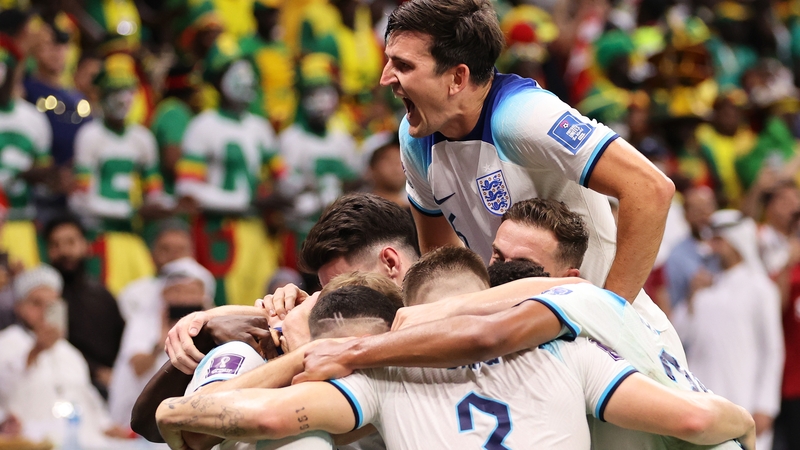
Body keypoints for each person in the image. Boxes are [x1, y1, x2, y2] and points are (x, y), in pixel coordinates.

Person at [156, 257, 755, 450]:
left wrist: (173, 414)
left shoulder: (375, 373)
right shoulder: (569, 351)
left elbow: (256, 417)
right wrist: (746, 423)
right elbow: (697, 419)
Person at [295, 199, 741, 449]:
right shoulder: (616, 314)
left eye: (521, 263)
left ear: (563, 281)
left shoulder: (576, 310)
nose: (501, 271)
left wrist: (348, 348)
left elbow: (488, 335)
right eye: (496, 256)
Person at [382, 0, 673, 307]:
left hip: (604, 339)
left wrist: (613, 312)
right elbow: (443, 264)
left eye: (403, 66)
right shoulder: (415, 137)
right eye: (389, 62)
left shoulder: (523, 116)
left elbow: (651, 188)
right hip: (521, 336)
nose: (385, 78)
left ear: (457, 78)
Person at [175, 41, 284, 306]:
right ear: (219, 80)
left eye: (249, 75)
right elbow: (187, 188)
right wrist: (241, 202)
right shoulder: (203, 125)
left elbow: (282, 177)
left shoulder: (260, 127)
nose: (246, 82)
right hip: (219, 231)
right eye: (237, 75)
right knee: (227, 305)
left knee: (264, 303)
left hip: (257, 231)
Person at [671, 209, 784, 450]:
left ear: (736, 241)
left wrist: (766, 405)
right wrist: (692, 296)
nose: (712, 245)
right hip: (702, 399)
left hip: (745, 398)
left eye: (719, 239)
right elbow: (679, 336)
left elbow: (772, 350)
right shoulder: (704, 286)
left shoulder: (760, 288)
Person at [70, 52, 168, 295]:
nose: (123, 99)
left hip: (134, 238)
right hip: (99, 237)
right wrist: (132, 211)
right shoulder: (90, 136)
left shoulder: (143, 139)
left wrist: (164, 205)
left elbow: (154, 191)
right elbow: (80, 200)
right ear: (102, 97)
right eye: (115, 92)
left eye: (128, 91)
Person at [0, 265, 126, 446]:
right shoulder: (6, 342)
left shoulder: (69, 352)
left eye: (51, 304)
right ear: (19, 307)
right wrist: (34, 352)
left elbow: (87, 395)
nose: (44, 310)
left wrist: (106, 425)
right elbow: (4, 386)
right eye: (36, 303)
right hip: (30, 443)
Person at [108, 257, 213, 431]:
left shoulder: (214, 326)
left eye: (191, 292)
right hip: (139, 422)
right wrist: (162, 340)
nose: (183, 299)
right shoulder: (143, 322)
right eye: (177, 291)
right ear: (163, 293)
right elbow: (138, 367)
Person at [44, 214, 125, 399]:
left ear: (85, 246)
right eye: (55, 245)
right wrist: (96, 371)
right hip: (62, 384)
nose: (64, 251)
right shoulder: (45, 299)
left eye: (70, 242)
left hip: (109, 385)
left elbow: (122, 342)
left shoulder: (103, 296)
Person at [663, 186, 721, 307]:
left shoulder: (728, 244)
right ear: (686, 215)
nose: (704, 215)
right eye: (697, 211)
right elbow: (674, 304)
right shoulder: (677, 256)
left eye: (707, 208)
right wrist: (693, 292)